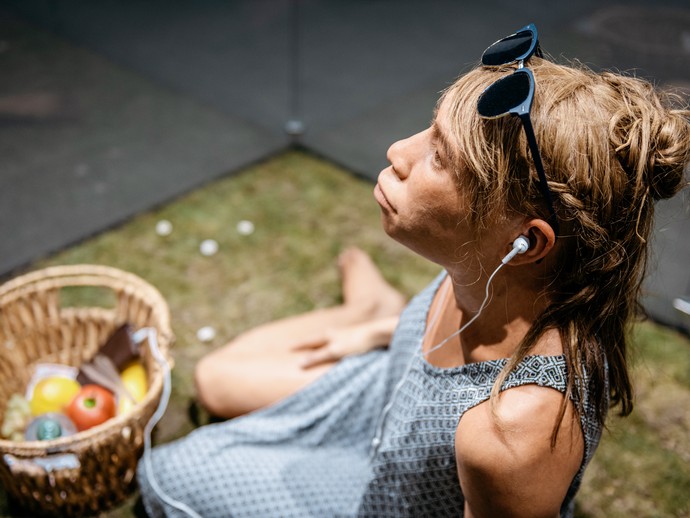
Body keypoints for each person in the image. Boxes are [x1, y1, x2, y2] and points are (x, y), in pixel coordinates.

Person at [137, 23, 690, 517]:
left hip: (392, 485)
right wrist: (375, 334)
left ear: (525, 241)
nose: (398, 151)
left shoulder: (507, 438)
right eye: (428, 130)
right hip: (387, 393)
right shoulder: (504, 273)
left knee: (167, 479)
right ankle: (369, 312)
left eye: (439, 157)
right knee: (215, 380)